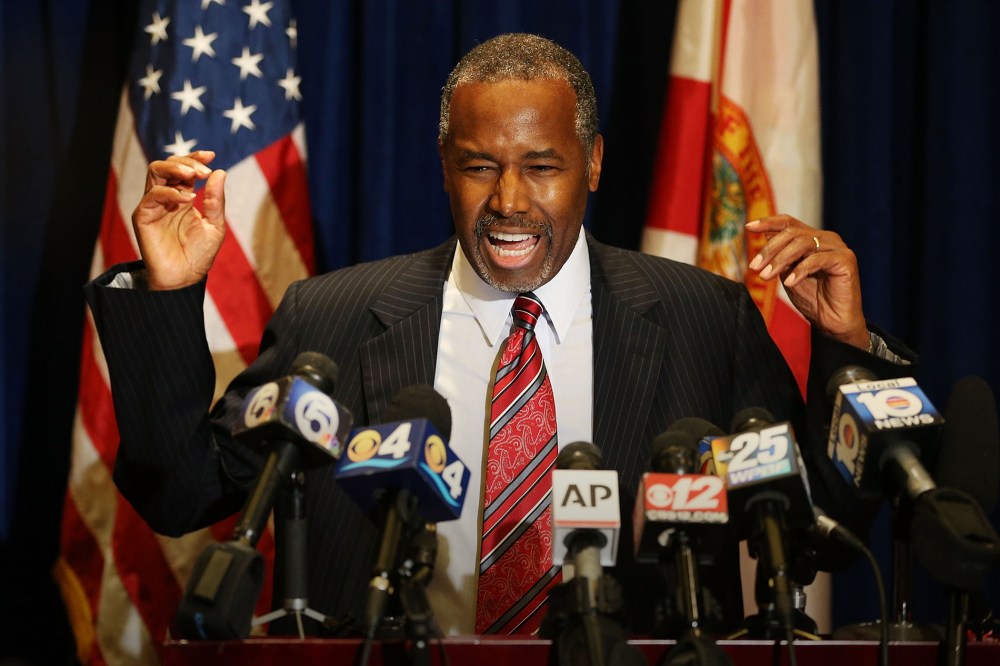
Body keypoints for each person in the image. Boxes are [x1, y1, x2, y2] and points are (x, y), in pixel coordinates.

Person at [86, 33, 911, 636]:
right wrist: (170, 288)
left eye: (542, 167)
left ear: (592, 163)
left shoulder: (704, 318)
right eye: (480, 165)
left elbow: (818, 532)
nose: (509, 200)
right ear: (445, 164)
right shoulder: (331, 318)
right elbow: (183, 492)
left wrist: (848, 349)